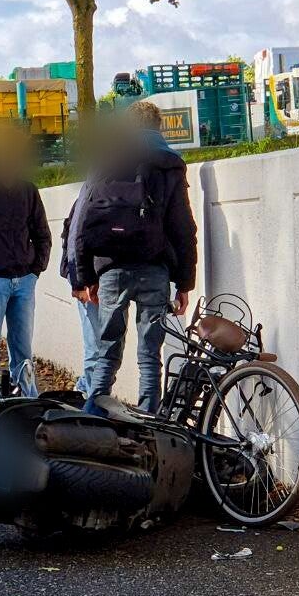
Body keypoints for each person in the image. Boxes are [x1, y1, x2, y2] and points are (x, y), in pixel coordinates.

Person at [70, 122, 197, 414]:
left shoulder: (104, 168)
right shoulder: (167, 169)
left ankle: (93, 419)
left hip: (112, 272)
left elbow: (82, 226)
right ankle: (148, 422)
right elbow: (184, 229)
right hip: (155, 270)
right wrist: (184, 284)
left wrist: (87, 277)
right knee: (150, 356)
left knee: (107, 353)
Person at [0, 133, 51, 402]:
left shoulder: (28, 190)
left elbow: (42, 233)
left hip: (24, 281)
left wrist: (35, 270)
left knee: (23, 351)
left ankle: (26, 406)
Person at [60, 195, 102, 397]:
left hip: (108, 283)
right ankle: (91, 398)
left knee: (105, 349)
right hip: (89, 284)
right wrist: (78, 283)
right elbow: (72, 242)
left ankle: (86, 389)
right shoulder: (86, 198)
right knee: (95, 348)